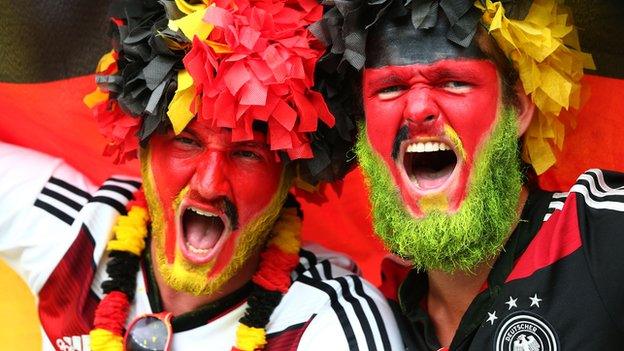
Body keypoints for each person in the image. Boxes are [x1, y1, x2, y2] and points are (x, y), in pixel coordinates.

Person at [0, 0, 403, 350]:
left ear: (289, 175)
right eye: (187, 142)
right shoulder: (76, 230)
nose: (209, 184)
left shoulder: (327, 321)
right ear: (142, 144)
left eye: (247, 153)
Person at [311, 0, 623, 349]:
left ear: (516, 108)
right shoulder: (371, 316)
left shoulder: (599, 235)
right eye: (390, 88)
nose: (417, 110)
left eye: (453, 82)